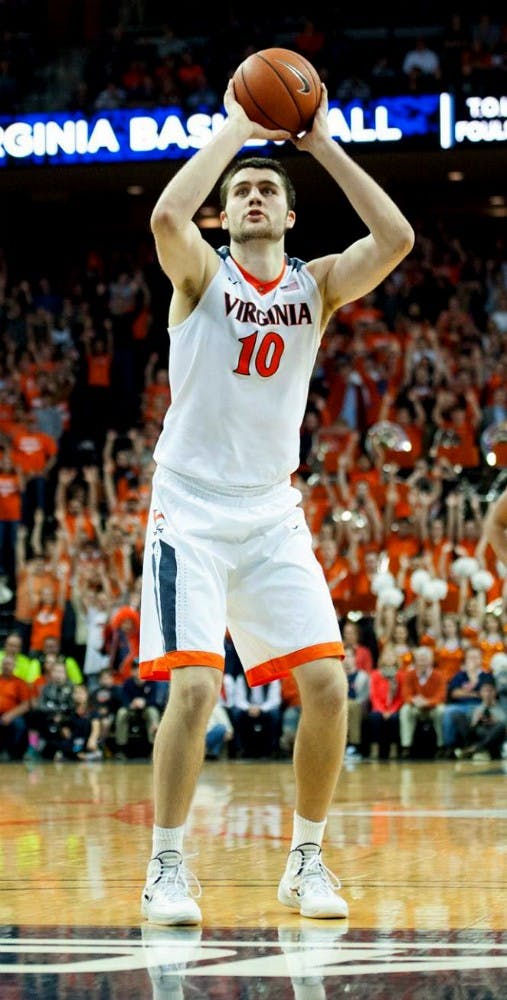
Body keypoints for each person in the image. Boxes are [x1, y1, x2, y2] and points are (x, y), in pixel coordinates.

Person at [138, 74, 414, 926]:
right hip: (189, 510)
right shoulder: (200, 276)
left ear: (290, 215)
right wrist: (236, 128)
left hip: (269, 512)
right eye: (241, 192)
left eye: (266, 189)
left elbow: (396, 237)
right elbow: (166, 219)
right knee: (196, 692)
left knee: (329, 685)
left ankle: (305, 861)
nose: (253, 196)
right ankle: (166, 866)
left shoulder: (315, 286)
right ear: (225, 215)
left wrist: (317, 141)